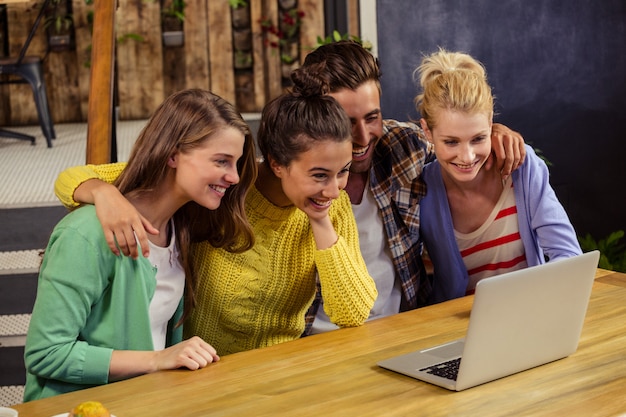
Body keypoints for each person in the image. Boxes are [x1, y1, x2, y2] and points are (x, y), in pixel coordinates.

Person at [53, 76, 377, 355]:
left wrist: (319, 219)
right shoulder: (219, 188)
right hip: (200, 366)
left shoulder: (332, 208)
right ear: (277, 163)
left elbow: (353, 312)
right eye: (320, 175)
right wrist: (104, 194)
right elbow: (72, 178)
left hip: (279, 371)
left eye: (343, 172)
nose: (334, 189)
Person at [24, 89, 258, 401]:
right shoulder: (85, 234)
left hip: (146, 401)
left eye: (236, 163)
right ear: (172, 154)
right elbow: (46, 353)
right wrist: (156, 361)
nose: (233, 177)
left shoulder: (182, 228)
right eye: (221, 161)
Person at [296, 41, 527, 334]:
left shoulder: (406, 146)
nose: (363, 137)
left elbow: (453, 138)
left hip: (404, 333)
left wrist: (493, 132)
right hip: (316, 344)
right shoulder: (292, 177)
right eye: (344, 122)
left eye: (372, 117)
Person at [414, 48, 581, 303]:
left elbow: (568, 256)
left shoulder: (522, 168)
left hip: (530, 315)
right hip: (456, 331)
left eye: (478, 138)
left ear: (491, 121)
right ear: (427, 131)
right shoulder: (421, 190)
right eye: (451, 142)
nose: (467, 157)